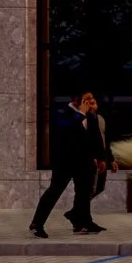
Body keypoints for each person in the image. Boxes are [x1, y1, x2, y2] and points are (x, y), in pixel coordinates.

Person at [30, 91, 108, 240]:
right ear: (77, 100)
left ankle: (82, 223)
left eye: (92, 98)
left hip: (84, 161)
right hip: (65, 162)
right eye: (87, 99)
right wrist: (80, 114)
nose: (90, 102)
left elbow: (96, 137)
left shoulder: (92, 115)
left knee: (84, 192)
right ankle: (36, 224)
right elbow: (66, 130)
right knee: (55, 191)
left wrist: (101, 158)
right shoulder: (62, 113)